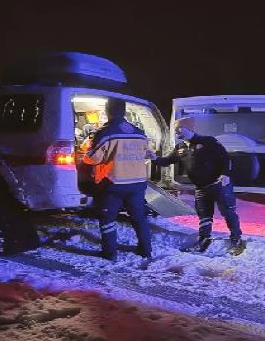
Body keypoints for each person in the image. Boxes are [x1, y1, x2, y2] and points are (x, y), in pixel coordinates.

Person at [147, 121, 246, 255]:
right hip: (201, 188)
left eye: (179, 129)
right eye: (175, 130)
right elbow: (166, 161)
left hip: (220, 185)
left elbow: (225, 158)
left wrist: (225, 174)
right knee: (204, 216)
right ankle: (203, 240)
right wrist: (154, 158)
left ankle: (237, 240)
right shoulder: (180, 147)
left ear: (189, 128)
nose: (176, 132)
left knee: (228, 213)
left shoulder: (208, 141)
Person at [82, 98, 151, 261]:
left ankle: (110, 252)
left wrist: (86, 154)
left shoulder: (105, 132)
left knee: (107, 218)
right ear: (124, 111)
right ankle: (145, 250)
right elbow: (145, 153)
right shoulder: (139, 132)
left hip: (113, 184)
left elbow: (94, 159)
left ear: (107, 111)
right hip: (137, 183)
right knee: (139, 218)